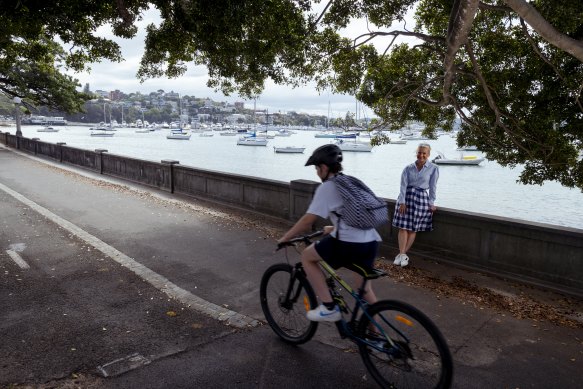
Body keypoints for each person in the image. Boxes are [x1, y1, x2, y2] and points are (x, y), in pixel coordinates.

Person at [278, 144, 382, 322]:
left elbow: (308, 220)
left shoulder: (327, 187)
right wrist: (334, 227)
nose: (317, 173)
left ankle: (328, 307)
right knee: (364, 290)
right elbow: (354, 214)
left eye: (317, 168)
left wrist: (285, 237)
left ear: (324, 168)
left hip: (349, 243)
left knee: (307, 257)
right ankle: (378, 339)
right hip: (371, 240)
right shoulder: (350, 181)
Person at [392, 142, 439, 267]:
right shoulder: (408, 168)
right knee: (403, 227)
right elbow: (403, 185)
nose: (421, 155)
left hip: (421, 200)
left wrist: (431, 203)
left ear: (428, 154)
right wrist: (402, 202)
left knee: (413, 228)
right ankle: (403, 255)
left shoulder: (434, 168)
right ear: (416, 153)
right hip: (406, 198)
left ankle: (402, 255)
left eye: (424, 153)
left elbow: (433, 187)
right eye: (419, 152)